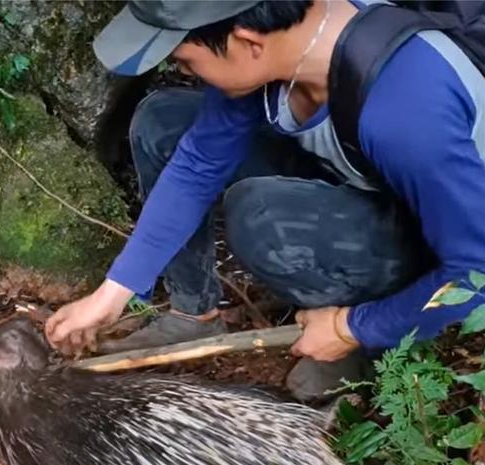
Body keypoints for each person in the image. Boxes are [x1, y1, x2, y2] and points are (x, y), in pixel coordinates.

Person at [45, 0, 485, 400]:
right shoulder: (271, 46)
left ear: (248, 43)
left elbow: (475, 270)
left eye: (186, 61)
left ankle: (365, 344)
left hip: (441, 238)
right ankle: (191, 316)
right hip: (363, 180)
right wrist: (112, 293)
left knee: (263, 219)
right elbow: (200, 163)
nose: (187, 74)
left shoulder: (405, 110)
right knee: (163, 123)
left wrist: (350, 329)